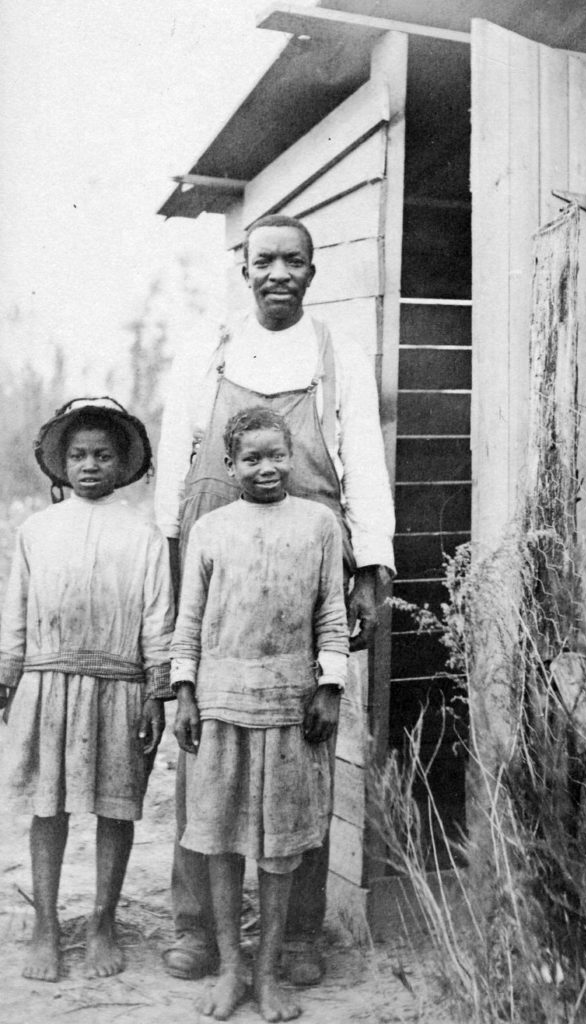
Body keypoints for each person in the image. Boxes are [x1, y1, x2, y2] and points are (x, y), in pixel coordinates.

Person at [156, 214, 395, 984]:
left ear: (313, 271)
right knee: (208, 759)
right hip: (219, 576)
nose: (279, 273)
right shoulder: (208, 350)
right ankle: (196, 925)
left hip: (307, 573)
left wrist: (372, 563)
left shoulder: (339, 357)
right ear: (246, 269)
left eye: (294, 260)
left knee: (305, 750)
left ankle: (295, 936)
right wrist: (171, 552)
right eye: (265, 260)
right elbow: (174, 467)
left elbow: (362, 456)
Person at [172, 405, 348, 1021]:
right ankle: (229, 968)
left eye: (278, 455)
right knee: (221, 840)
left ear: (293, 457)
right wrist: (186, 692)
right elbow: (188, 621)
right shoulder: (212, 529)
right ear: (231, 465)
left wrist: (328, 688)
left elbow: (332, 615)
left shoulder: (319, 524)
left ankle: (269, 973)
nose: (267, 467)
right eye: (252, 458)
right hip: (220, 702)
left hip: (290, 706)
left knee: (279, 848)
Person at [0, 398, 174, 982]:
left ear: (122, 463)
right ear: (61, 464)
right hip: (47, 682)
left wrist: (156, 690)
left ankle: (103, 921)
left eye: (103, 455)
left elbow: (158, 617)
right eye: (78, 455)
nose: (90, 465)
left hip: (118, 686)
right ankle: (46, 924)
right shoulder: (36, 530)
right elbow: (14, 611)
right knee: (47, 806)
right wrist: (7, 677)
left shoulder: (144, 536)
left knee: (113, 805)